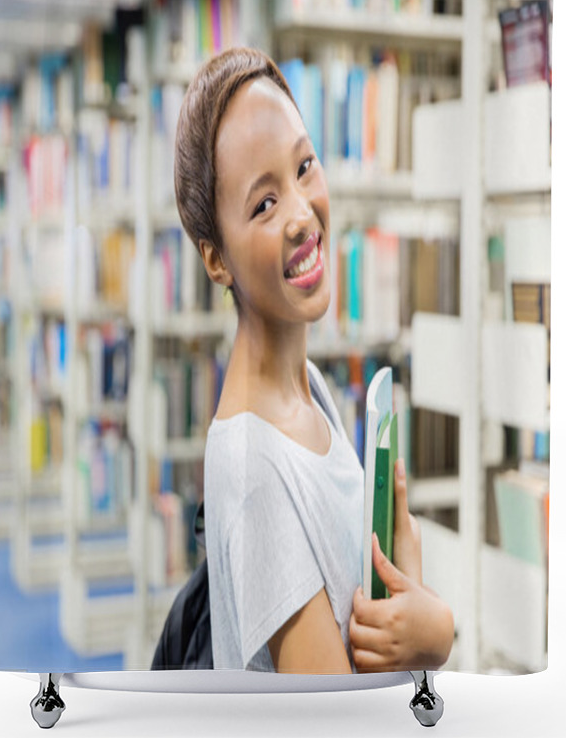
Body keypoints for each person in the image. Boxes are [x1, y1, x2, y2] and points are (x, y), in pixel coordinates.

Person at [174, 46, 454, 674]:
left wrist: (404, 595)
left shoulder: (313, 390)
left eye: (304, 166)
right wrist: (434, 638)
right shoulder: (256, 471)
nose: (303, 214)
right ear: (215, 258)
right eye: (263, 204)